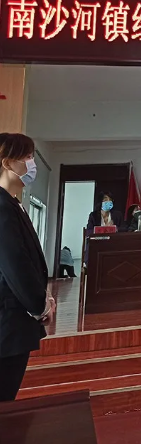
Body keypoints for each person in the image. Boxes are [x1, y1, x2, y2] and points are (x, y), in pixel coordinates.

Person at [0, 133, 55, 402]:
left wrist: (44, 297)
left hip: (13, 322)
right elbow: (15, 263)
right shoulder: (1, 206)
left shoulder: (13, 203)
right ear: (7, 163)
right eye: (28, 157)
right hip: (6, 324)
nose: (32, 163)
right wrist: (40, 306)